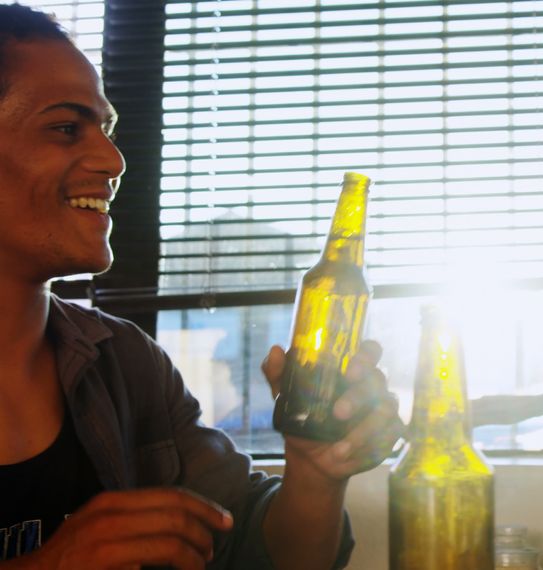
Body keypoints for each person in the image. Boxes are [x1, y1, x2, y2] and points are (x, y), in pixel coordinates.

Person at [0, 5, 403, 569]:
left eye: (107, 130)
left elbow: (261, 552)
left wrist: (315, 467)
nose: (113, 159)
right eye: (66, 128)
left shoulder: (128, 365)